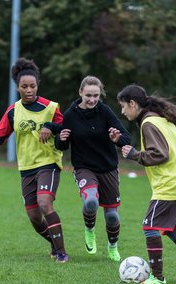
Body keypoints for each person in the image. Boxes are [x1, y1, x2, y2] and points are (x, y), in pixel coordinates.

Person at [0, 57, 68, 263]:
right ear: (17, 88)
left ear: (38, 85)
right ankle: (55, 244)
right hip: (26, 168)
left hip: (48, 163)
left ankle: (62, 253)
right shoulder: (13, 112)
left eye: (33, 86)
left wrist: (50, 126)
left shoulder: (51, 107)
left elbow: (65, 130)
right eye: (24, 87)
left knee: (44, 203)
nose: (29, 90)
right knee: (35, 218)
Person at [116, 84, 176, 284]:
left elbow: (160, 154)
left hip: (170, 182)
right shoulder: (159, 119)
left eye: (123, 106)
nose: (122, 111)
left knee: (150, 227)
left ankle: (157, 277)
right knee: (172, 229)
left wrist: (135, 155)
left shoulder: (149, 123)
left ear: (132, 104)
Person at [54, 75, 131, 261]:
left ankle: (113, 246)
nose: (92, 99)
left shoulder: (104, 111)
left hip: (108, 168)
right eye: (88, 95)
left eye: (96, 95)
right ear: (80, 92)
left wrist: (116, 139)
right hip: (84, 168)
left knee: (112, 216)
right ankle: (89, 230)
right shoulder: (71, 115)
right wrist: (61, 139)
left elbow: (126, 139)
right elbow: (61, 146)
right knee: (90, 201)